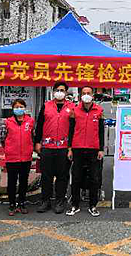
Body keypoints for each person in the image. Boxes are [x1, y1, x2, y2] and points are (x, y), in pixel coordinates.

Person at [34, 81, 74, 213]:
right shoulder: (46, 106)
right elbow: (39, 125)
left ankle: (60, 201)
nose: (59, 93)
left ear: (66, 92)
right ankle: (45, 201)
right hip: (47, 147)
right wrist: (37, 142)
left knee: (62, 176)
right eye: (57, 90)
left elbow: (74, 128)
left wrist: (71, 147)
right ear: (53, 92)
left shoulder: (72, 107)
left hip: (64, 148)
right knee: (46, 176)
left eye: (62, 90)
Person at [66, 85, 105, 217]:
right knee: (76, 177)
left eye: (88, 93)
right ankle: (75, 205)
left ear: (92, 95)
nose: (86, 95)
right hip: (77, 148)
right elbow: (71, 131)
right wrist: (69, 148)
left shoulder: (99, 111)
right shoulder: (75, 110)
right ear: (80, 95)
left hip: (93, 149)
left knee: (94, 178)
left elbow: (101, 132)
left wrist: (101, 149)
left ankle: (93, 205)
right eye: (84, 93)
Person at [1, 99, 35, 216]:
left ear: (25, 108)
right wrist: (8, 149)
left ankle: (22, 203)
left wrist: (31, 148)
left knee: (24, 181)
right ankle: (12, 204)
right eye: (16, 107)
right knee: (12, 181)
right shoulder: (7, 122)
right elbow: (2, 138)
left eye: (21, 106)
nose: (19, 109)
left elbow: (33, 136)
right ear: (13, 109)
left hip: (26, 157)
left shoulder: (30, 121)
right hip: (12, 157)